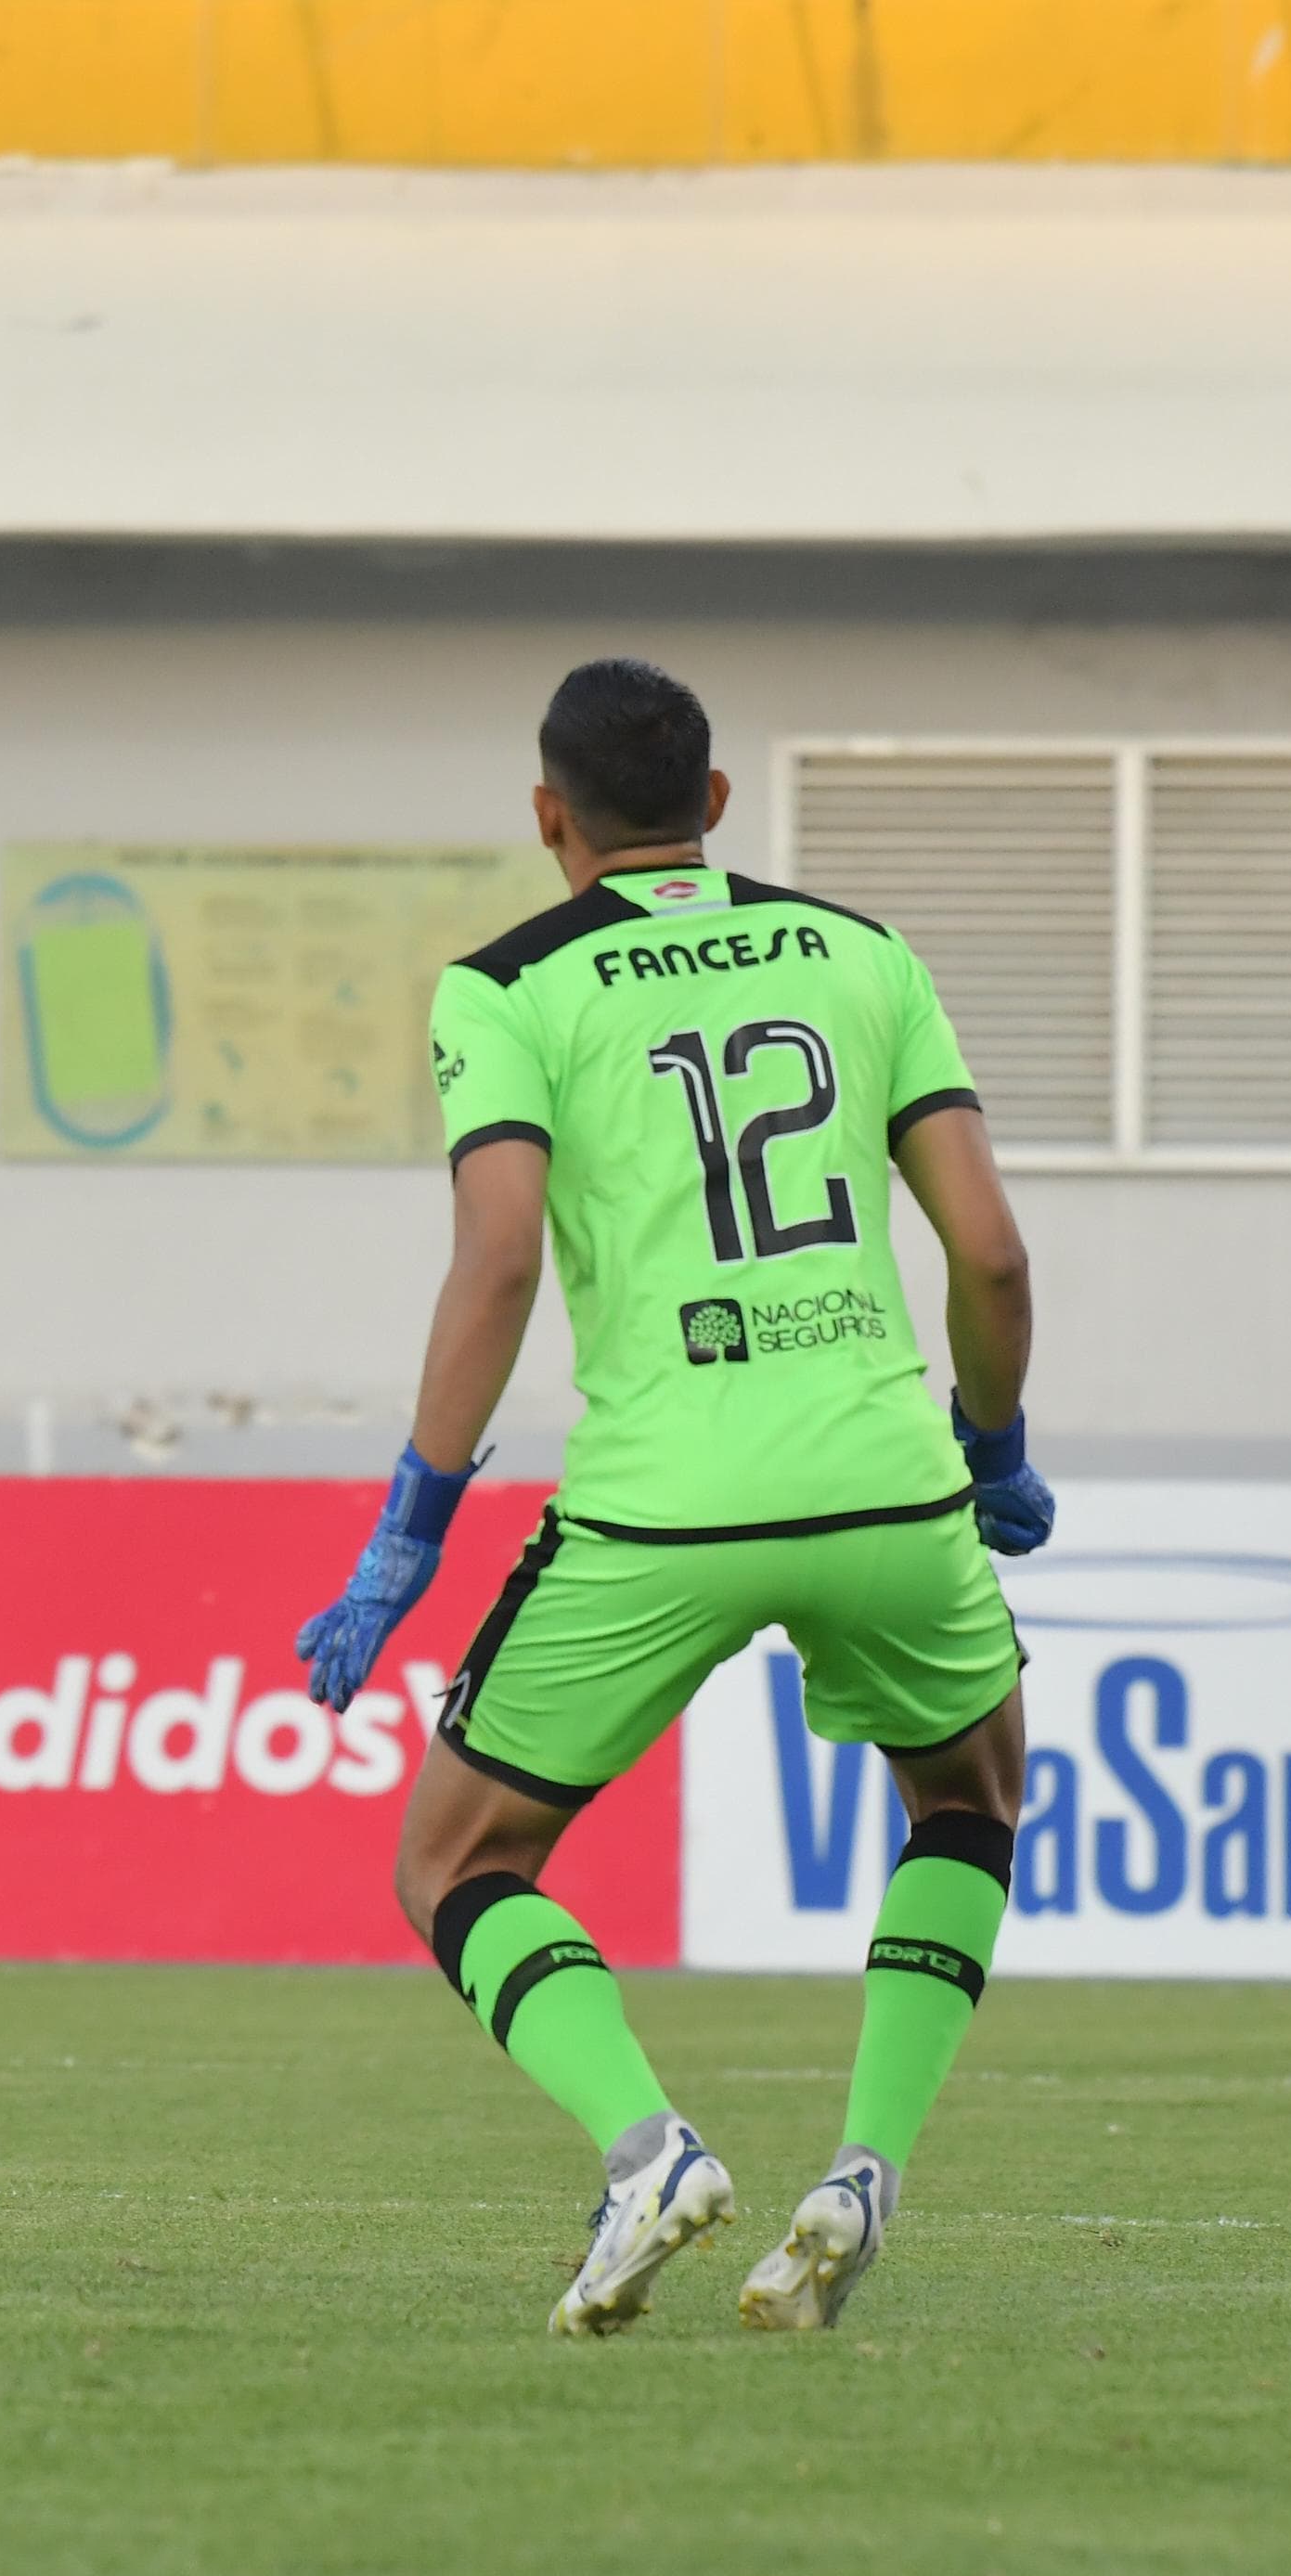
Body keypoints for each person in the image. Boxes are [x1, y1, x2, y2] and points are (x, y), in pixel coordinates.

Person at [294, 657, 1053, 2338]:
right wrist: (992, 1450)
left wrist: (410, 1529)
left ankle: (648, 2150)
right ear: (716, 806)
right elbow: (988, 1251)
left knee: (458, 1858)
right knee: (970, 1800)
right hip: (884, 1488)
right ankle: (864, 2170)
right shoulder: (866, 955)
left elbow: (497, 1259)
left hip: (660, 1511)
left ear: (549, 819)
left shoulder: (501, 986)